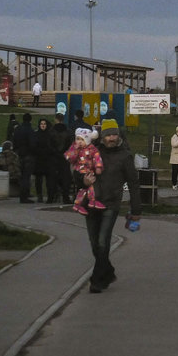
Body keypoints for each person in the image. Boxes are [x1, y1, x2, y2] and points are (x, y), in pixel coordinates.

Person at [83, 119, 141, 293]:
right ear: (102, 136)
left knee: (103, 242)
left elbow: (133, 183)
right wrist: (83, 180)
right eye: (108, 135)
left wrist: (136, 210)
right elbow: (79, 172)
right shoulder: (93, 152)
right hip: (91, 203)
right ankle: (108, 272)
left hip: (111, 204)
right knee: (94, 244)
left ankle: (97, 280)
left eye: (114, 134)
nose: (112, 138)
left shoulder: (125, 156)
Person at [65, 128, 104, 215]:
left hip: (89, 171)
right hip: (79, 171)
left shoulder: (92, 149)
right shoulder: (75, 148)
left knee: (85, 188)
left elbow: (97, 157)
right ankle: (92, 200)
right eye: (77, 139)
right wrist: (75, 149)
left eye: (82, 139)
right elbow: (69, 158)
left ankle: (79, 204)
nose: (79, 142)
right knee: (91, 184)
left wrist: (98, 166)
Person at [32, 117, 59, 203]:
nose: (42, 126)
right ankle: (39, 195)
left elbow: (54, 146)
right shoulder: (36, 134)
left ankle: (50, 196)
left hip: (48, 160)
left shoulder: (50, 134)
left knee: (49, 180)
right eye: (41, 124)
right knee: (38, 179)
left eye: (44, 124)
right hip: (39, 159)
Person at [49, 112, 74, 204]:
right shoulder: (68, 131)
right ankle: (65, 197)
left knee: (52, 178)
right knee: (65, 178)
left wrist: (55, 152)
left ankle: (51, 197)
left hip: (54, 157)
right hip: (64, 158)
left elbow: (49, 144)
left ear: (56, 119)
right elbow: (71, 145)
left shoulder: (51, 131)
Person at [12, 112, 36, 203]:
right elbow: (32, 144)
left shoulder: (18, 129)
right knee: (26, 176)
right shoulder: (30, 130)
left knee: (22, 176)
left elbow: (14, 141)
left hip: (19, 155)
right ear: (30, 120)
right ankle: (24, 196)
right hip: (28, 155)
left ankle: (22, 196)